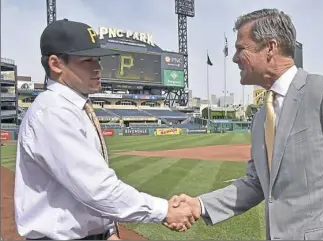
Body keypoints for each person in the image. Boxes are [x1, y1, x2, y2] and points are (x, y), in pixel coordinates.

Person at [166, 8, 323, 240]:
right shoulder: (261, 117)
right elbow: (257, 183)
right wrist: (199, 205)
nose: (235, 58)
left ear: (270, 48)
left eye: (240, 48)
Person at [14, 19, 196, 240]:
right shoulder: (53, 112)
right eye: (87, 60)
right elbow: (97, 189)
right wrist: (164, 210)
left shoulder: (76, 107)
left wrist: (108, 231)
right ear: (56, 64)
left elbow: (85, 191)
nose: (98, 68)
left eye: (98, 60)